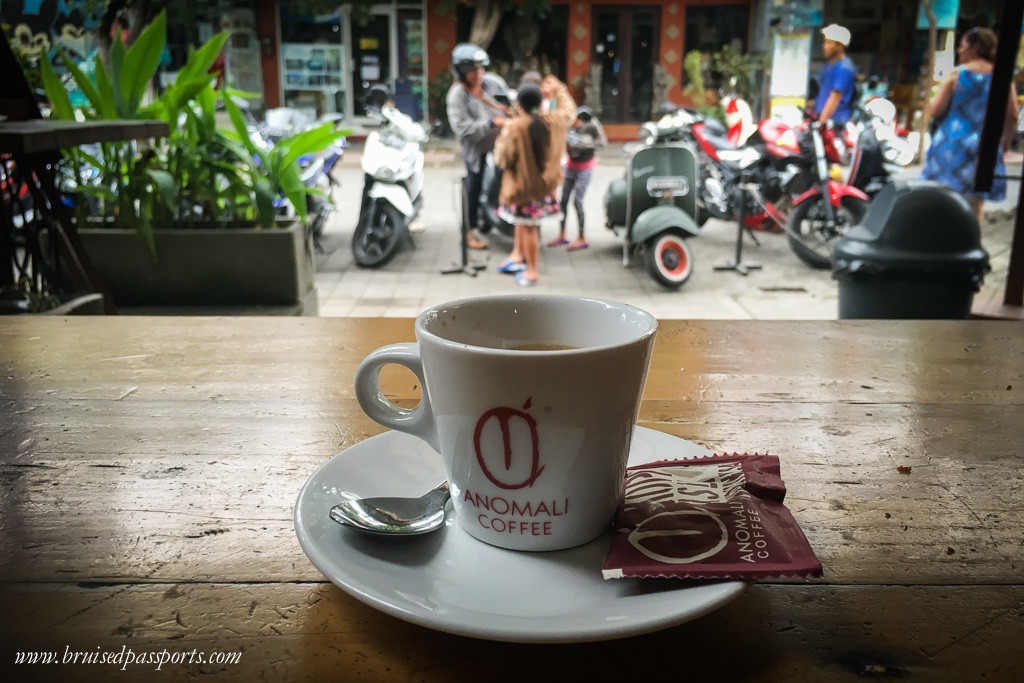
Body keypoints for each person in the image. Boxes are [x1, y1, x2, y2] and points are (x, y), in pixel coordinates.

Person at [920, 27, 1019, 226]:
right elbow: (1013, 116)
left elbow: (937, 109)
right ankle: (970, 247)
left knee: (942, 199)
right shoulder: (1001, 77)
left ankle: (942, 246)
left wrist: (929, 99)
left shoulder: (956, 75)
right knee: (975, 205)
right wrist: (1005, 143)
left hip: (950, 145)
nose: (959, 51)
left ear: (974, 48)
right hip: (984, 146)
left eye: (962, 46)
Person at [494, 75, 576, 286]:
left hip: (522, 188)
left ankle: (531, 271)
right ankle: (516, 256)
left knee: (528, 226)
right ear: (541, 103)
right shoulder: (554, 121)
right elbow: (569, 111)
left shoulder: (515, 127)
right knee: (523, 224)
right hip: (543, 187)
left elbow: (502, 159)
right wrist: (558, 88)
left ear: (519, 105)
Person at [446, 43, 510, 250]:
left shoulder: (493, 83)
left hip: (502, 145)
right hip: (477, 150)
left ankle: (502, 217)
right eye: (472, 70)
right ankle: (469, 232)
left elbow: (510, 101)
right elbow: (463, 130)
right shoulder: (457, 95)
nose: (478, 73)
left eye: (480, 68)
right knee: (472, 188)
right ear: (461, 72)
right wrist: (491, 123)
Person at [548, 106, 607, 251]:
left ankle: (582, 237)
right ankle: (562, 233)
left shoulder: (592, 124)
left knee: (578, 200)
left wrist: (582, 145)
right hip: (571, 166)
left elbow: (602, 142)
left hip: (585, 167)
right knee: (564, 200)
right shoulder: (568, 125)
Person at [814, 24, 857, 127]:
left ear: (840, 46)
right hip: (824, 119)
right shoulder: (829, 65)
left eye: (829, 43)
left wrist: (821, 122)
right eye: (824, 42)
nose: (824, 46)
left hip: (834, 123)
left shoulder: (844, 68)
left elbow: (835, 97)